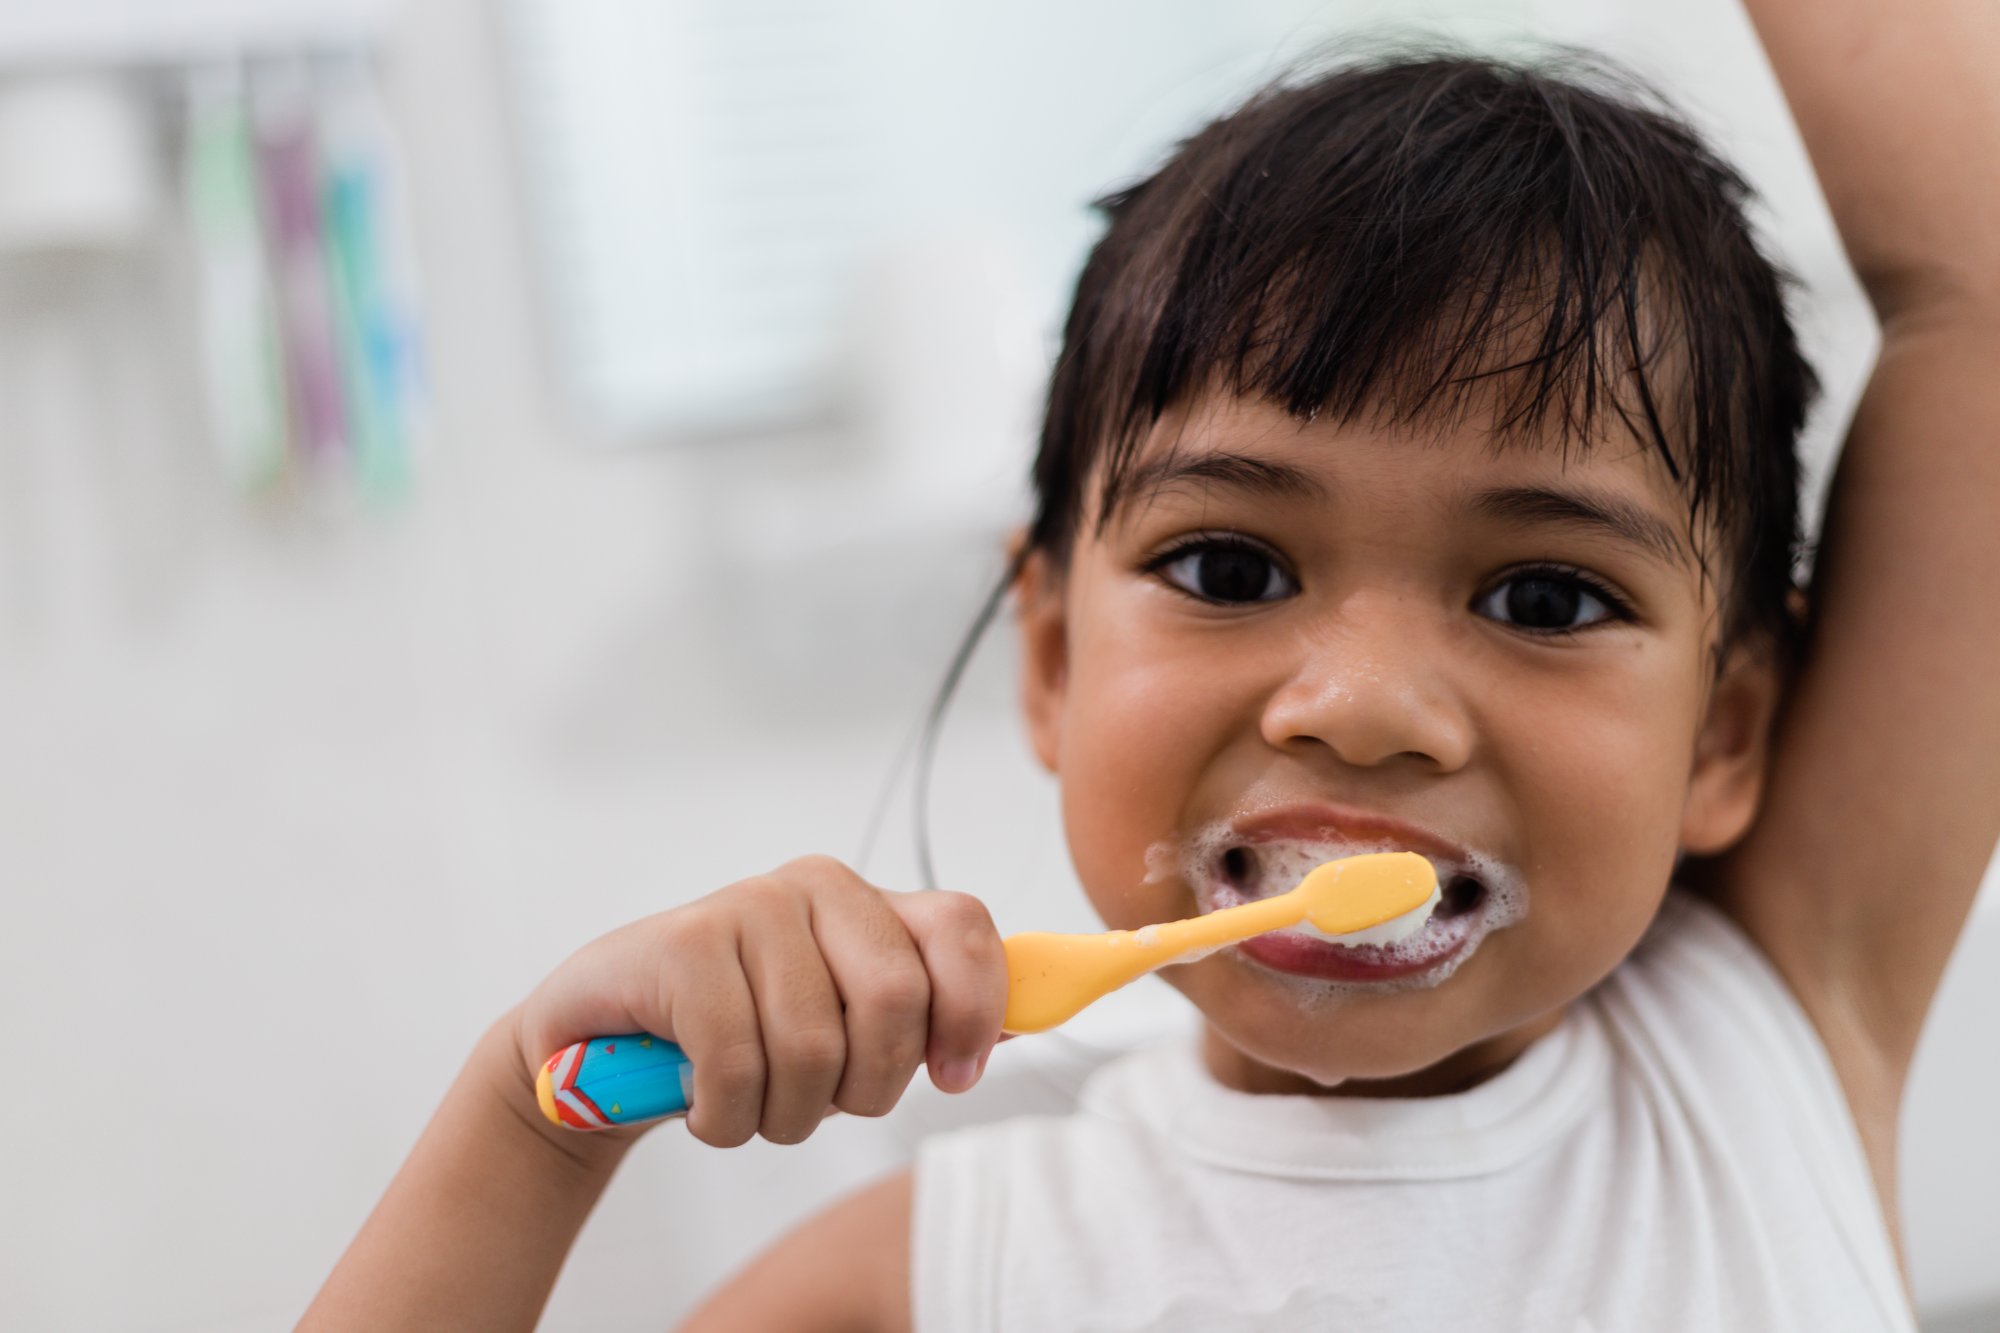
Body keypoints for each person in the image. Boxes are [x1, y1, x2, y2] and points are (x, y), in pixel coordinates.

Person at [301, 0, 1999, 1327]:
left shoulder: (1769, 1031)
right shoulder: (935, 1276)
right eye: (1229, 565)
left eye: (1545, 597)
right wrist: (534, 1121)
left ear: (1729, 732)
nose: (1360, 702)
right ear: (1047, 655)